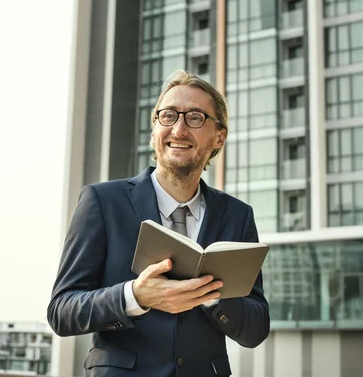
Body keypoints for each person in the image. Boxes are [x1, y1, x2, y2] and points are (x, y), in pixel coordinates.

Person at [47, 70, 270, 376]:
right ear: (154, 130)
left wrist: (212, 295)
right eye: (167, 116)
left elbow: (256, 329)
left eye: (195, 117)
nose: (178, 129)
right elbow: (62, 311)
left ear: (219, 136)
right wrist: (134, 296)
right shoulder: (102, 202)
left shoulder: (238, 215)